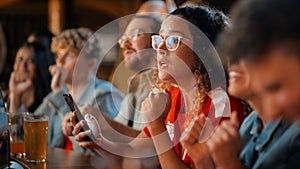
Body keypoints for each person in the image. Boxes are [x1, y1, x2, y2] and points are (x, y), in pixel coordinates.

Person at [72, 6, 243, 168]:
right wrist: (98, 142)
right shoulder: (172, 94)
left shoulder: (221, 104)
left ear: (204, 50)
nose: (160, 48)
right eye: (159, 39)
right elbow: (131, 156)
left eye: (173, 40)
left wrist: (156, 126)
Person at [183, 0, 300, 168]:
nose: (273, 112)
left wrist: (229, 163)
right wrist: (204, 161)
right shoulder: (249, 124)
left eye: (276, 87)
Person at [34, 28, 124, 153]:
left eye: (70, 55)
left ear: (91, 63)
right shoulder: (57, 94)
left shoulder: (106, 96)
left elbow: (96, 154)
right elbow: (31, 131)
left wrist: (59, 96)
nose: (60, 61)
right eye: (58, 55)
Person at [8, 42, 55, 113]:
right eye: (20, 59)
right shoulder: (4, 98)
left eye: (30, 61)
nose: (23, 65)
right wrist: (15, 95)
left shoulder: (48, 102)